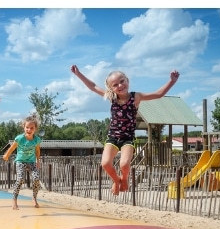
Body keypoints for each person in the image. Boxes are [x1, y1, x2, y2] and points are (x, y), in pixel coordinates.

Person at [70, 65, 180, 195]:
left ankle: (124, 178)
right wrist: (78, 74)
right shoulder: (112, 98)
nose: (120, 86)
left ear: (127, 80)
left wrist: (172, 81)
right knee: (105, 163)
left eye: (122, 81)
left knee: (124, 165)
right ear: (111, 88)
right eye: (115, 85)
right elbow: (93, 86)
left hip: (128, 139)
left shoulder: (136, 97)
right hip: (112, 138)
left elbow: (158, 94)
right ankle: (116, 181)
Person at [3, 114, 42, 210]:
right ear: (24, 128)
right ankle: (14, 200)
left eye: (31, 128)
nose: (29, 130)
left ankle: (34, 197)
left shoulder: (37, 139)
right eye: (27, 127)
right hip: (20, 161)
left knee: (36, 178)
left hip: (32, 161)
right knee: (20, 179)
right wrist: (6, 155)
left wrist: (38, 160)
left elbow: (37, 150)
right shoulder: (20, 138)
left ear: (35, 129)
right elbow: (12, 147)